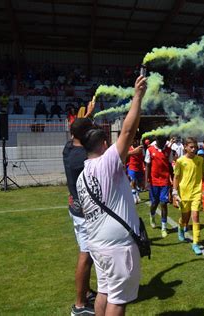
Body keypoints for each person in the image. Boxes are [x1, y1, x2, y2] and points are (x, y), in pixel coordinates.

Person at [76, 75, 147, 316]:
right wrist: (137, 96)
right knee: (118, 301)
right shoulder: (107, 162)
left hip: (97, 244)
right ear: (104, 145)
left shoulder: (82, 175)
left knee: (105, 293)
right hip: (117, 247)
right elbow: (127, 130)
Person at [63, 118, 96, 316]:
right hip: (84, 213)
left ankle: (86, 291)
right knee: (86, 256)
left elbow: (77, 130)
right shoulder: (82, 157)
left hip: (75, 208)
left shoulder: (68, 148)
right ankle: (80, 305)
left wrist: (87, 114)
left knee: (88, 255)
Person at [172, 137, 204, 255]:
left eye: (195, 147)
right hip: (184, 193)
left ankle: (195, 243)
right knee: (185, 219)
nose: (193, 149)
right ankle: (181, 228)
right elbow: (176, 177)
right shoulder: (180, 161)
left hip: (196, 192)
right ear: (185, 147)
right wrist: (174, 192)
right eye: (191, 147)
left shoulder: (200, 160)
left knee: (195, 216)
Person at [145, 135, 174, 238]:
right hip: (154, 181)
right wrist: (146, 181)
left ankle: (163, 227)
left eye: (164, 141)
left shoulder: (169, 150)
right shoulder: (150, 150)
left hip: (165, 181)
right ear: (156, 140)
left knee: (163, 203)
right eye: (160, 141)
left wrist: (173, 179)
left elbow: (170, 166)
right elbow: (148, 166)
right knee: (154, 203)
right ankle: (152, 216)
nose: (162, 143)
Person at [126, 139, 144, 204]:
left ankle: (137, 195)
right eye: (133, 141)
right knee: (133, 182)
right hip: (132, 168)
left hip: (139, 168)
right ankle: (134, 197)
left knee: (139, 184)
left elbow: (143, 158)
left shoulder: (141, 149)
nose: (135, 142)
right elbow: (126, 157)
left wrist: (143, 166)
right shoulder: (129, 148)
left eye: (136, 141)